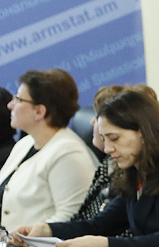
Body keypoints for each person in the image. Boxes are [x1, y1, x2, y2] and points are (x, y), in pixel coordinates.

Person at [15, 89, 159, 247]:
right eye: (104, 139)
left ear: (144, 133)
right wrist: (47, 229)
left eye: (114, 138)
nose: (108, 149)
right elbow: (99, 225)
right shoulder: (136, 174)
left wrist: (105, 246)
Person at [0, 69, 97, 230]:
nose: (10, 105)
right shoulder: (25, 143)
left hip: (34, 245)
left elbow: (69, 219)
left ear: (39, 111)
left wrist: (25, 238)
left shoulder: (68, 154)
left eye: (18, 99)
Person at [71, 84, 159, 223]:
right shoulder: (112, 164)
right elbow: (94, 222)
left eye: (98, 116)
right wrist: (49, 230)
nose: (92, 122)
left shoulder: (129, 169)